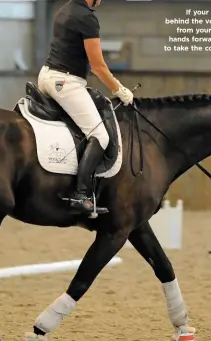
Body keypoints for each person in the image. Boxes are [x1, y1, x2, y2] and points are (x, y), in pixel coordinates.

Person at [37, 0, 134, 214]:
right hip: (65, 82)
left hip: (47, 75)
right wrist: (119, 90)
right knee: (100, 135)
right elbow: (99, 66)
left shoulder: (65, 9)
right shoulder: (87, 17)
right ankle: (80, 194)